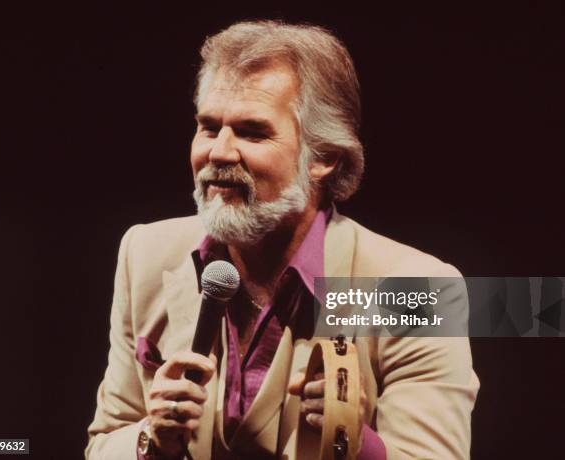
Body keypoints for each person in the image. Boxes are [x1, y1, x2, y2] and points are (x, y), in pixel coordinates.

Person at [86, 20, 479, 460]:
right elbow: (104, 442)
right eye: (210, 127)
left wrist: (354, 442)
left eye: (253, 132)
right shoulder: (145, 253)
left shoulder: (415, 288)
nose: (219, 152)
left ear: (324, 158)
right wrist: (149, 441)